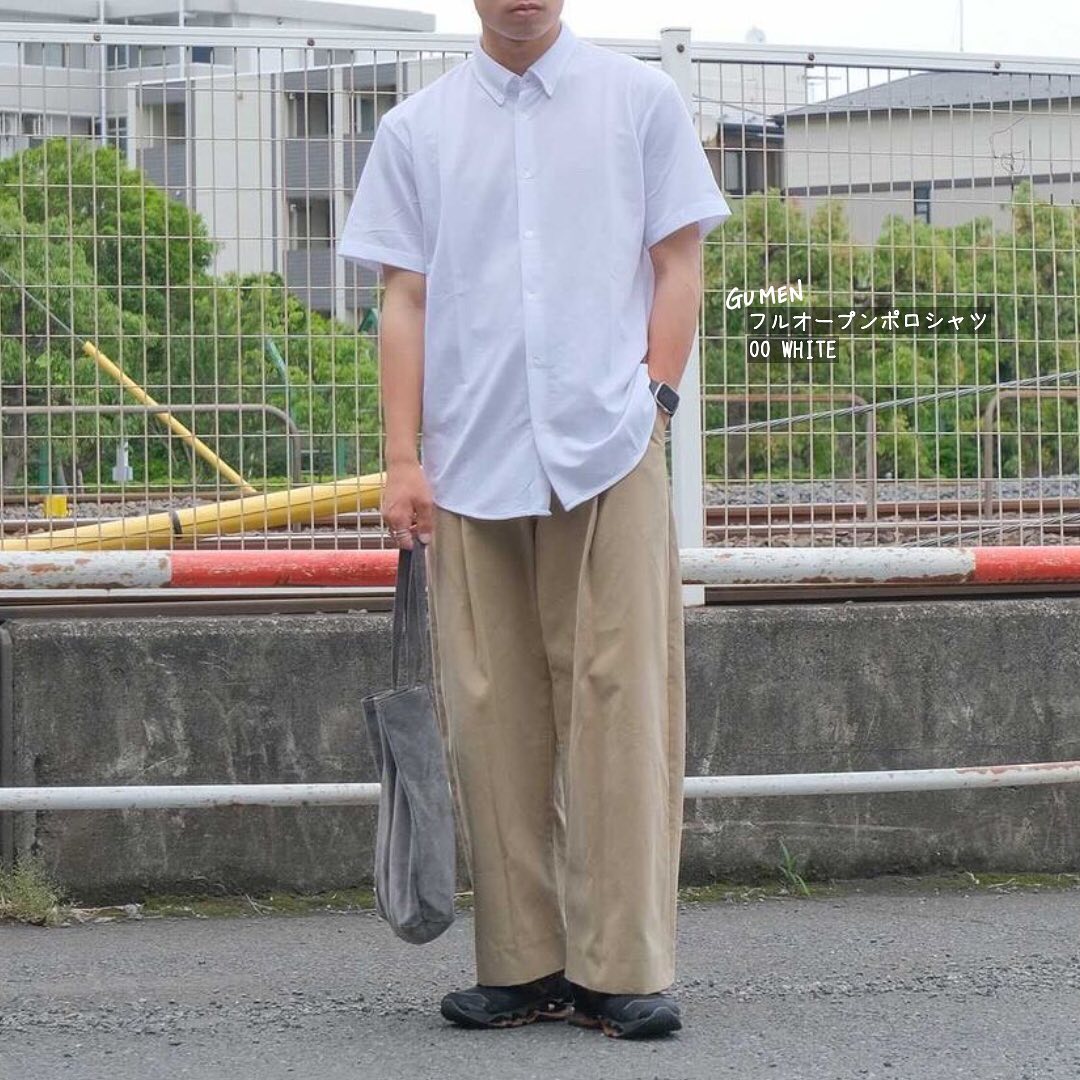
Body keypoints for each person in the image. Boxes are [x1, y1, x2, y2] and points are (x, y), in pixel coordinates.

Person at [339, 0, 731, 1040]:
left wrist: (654, 401)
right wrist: (402, 460)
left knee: (622, 705)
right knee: (490, 713)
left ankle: (623, 968)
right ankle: (523, 964)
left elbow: (680, 260)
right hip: (471, 458)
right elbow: (404, 297)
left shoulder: (639, 100)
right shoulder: (417, 130)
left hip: (609, 448)